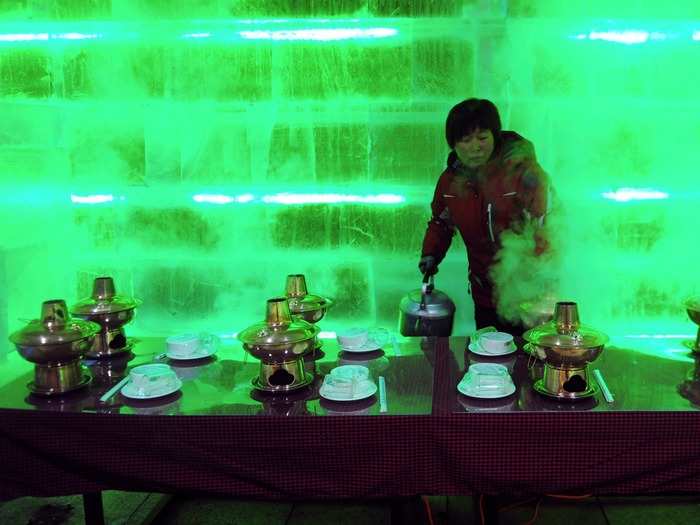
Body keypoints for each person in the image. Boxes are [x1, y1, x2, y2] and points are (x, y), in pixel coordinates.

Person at [418, 98, 549, 335]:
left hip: (529, 293)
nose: (475, 147)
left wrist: (541, 281)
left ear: (495, 136)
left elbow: (547, 225)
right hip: (484, 293)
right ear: (453, 144)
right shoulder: (450, 183)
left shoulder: (523, 173)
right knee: (490, 359)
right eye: (465, 140)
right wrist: (430, 254)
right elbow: (441, 223)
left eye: (482, 137)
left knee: (531, 359)